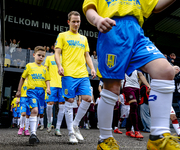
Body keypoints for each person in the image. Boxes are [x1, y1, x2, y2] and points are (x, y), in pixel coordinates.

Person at [83, 0, 180, 149]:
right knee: (112, 89)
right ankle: (105, 139)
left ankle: (158, 136)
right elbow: (89, 8)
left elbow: (155, 6)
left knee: (166, 71)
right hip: (112, 31)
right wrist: (98, 20)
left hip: (136, 33)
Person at [55, 11, 96, 144]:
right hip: (68, 74)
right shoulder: (62, 36)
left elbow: (87, 56)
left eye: (78, 21)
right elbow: (57, 53)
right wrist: (59, 66)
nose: (76, 24)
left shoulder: (84, 38)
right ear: (68, 22)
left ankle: (75, 124)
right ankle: (71, 134)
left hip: (82, 73)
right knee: (70, 100)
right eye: (73, 21)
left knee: (88, 98)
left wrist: (92, 68)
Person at [16, 46, 51, 145]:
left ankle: (33, 134)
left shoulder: (44, 69)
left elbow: (47, 79)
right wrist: (19, 90)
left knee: (39, 113)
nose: (41, 57)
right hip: (32, 92)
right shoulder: (29, 65)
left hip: (41, 92)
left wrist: (48, 88)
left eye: (43, 56)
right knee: (34, 110)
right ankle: (33, 134)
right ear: (34, 55)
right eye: (39, 55)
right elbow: (22, 78)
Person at [123, 70, 150, 139]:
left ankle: (128, 129)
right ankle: (136, 130)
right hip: (128, 86)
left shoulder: (136, 64)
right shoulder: (125, 61)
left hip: (136, 88)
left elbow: (141, 75)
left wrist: (148, 86)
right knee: (134, 105)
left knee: (134, 108)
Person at [44, 54, 65, 136]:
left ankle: (58, 128)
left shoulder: (65, 58)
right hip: (51, 84)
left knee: (62, 105)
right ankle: (49, 122)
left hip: (62, 84)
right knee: (49, 104)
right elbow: (45, 70)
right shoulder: (49, 57)